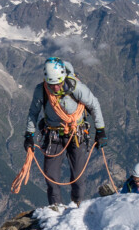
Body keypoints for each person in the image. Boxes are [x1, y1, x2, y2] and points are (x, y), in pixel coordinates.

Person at [23, 57, 106, 206]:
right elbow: (33, 112)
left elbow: (94, 105)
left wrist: (100, 130)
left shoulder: (76, 88)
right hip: (53, 135)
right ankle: (56, 208)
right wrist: (29, 135)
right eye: (52, 84)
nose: (55, 88)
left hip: (76, 134)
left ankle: (77, 205)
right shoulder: (41, 90)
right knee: (51, 176)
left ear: (63, 78)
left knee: (78, 178)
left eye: (58, 84)